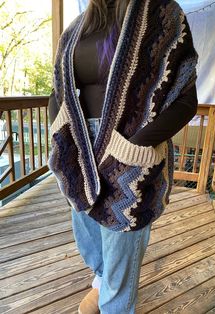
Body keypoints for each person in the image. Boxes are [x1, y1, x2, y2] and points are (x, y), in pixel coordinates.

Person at [48, 0, 198, 313]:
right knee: (86, 226)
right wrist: (60, 136)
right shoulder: (78, 27)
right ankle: (102, 280)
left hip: (132, 144)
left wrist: (132, 146)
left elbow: (185, 101)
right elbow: (58, 93)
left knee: (123, 234)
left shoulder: (162, 14)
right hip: (80, 146)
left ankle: (115, 303)